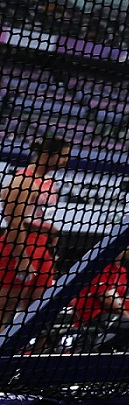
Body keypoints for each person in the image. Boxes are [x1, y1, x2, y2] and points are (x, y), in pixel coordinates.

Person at [0, 131, 71, 327]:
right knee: (7, 306)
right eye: (63, 155)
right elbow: (14, 222)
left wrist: (50, 230)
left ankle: (26, 355)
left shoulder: (49, 182)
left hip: (41, 250)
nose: (66, 160)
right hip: (20, 247)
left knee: (40, 310)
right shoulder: (22, 181)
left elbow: (35, 217)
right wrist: (21, 258)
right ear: (48, 154)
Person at [70, 238, 129, 354]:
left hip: (109, 315)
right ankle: (120, 355)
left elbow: (117, 298)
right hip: (92, 315)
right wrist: (128, 317)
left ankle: (111, 352)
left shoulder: (122, 271)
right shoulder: (100, 267)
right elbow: (107, 300)